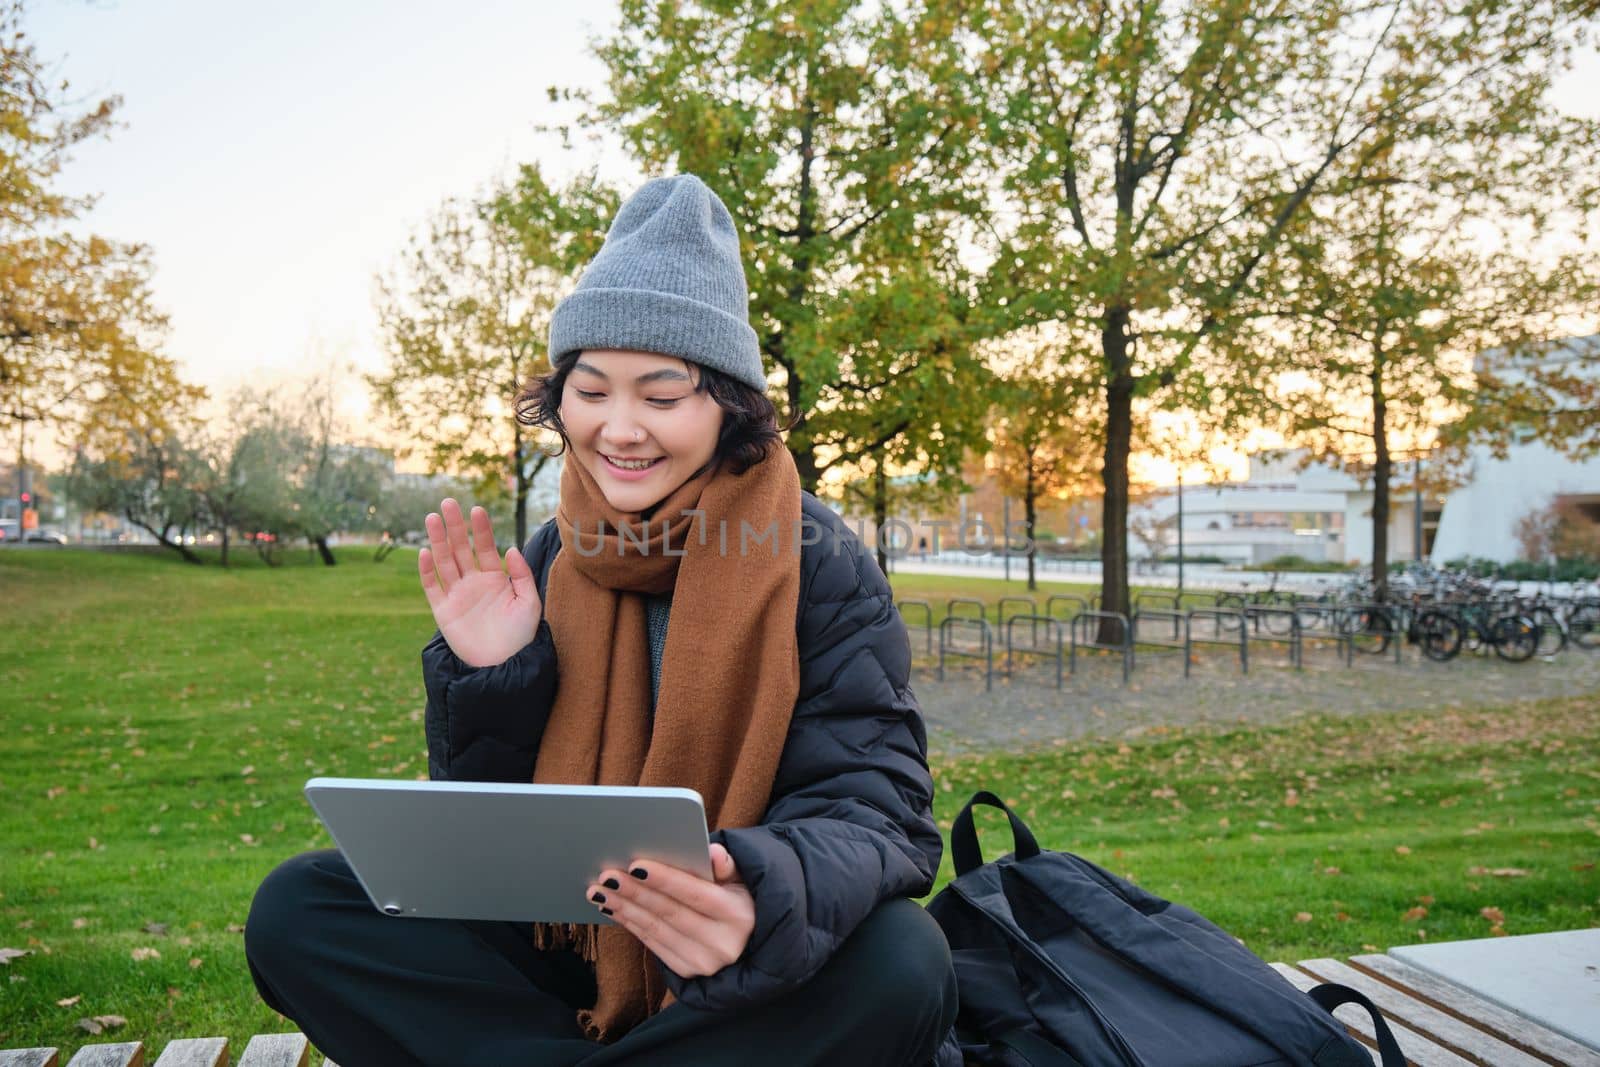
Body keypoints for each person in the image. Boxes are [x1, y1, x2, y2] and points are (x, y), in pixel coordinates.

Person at [244, 174, 958, 1067]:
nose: (620, 428)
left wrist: (760, 895)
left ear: (726, 405)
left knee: (904, 963)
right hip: (570, 951)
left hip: (732, 967)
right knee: (300, 910)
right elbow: (488, 848)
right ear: (559, 398)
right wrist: (494, 676)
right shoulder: (548, 557)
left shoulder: (815, 557)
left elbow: (880, 807)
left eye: (662, 397)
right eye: (591, 391)